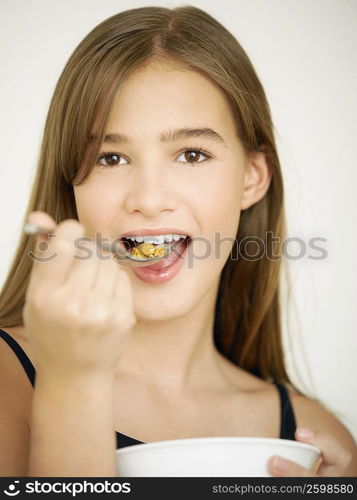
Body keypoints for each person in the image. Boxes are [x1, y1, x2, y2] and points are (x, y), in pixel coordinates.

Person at [0, 5, 356, 478]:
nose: (148, 199)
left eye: (192, 154)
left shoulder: (310, 435)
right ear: (72, 185)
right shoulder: (8, 380)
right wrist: (72, 383)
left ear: (252, 178)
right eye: (110, 158)